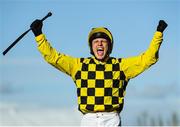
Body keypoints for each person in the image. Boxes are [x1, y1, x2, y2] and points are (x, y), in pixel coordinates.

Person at [30, 19, 167, 126]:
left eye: (103, 41)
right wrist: (39, 35)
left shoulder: (121, 66)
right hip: (88, 120)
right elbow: (53, 57)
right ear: (91, 46)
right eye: (96, 41)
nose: (100, 44)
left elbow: (149, 58)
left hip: (111, 119)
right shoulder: (78, 65)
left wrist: (158, 34)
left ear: (109, 46)